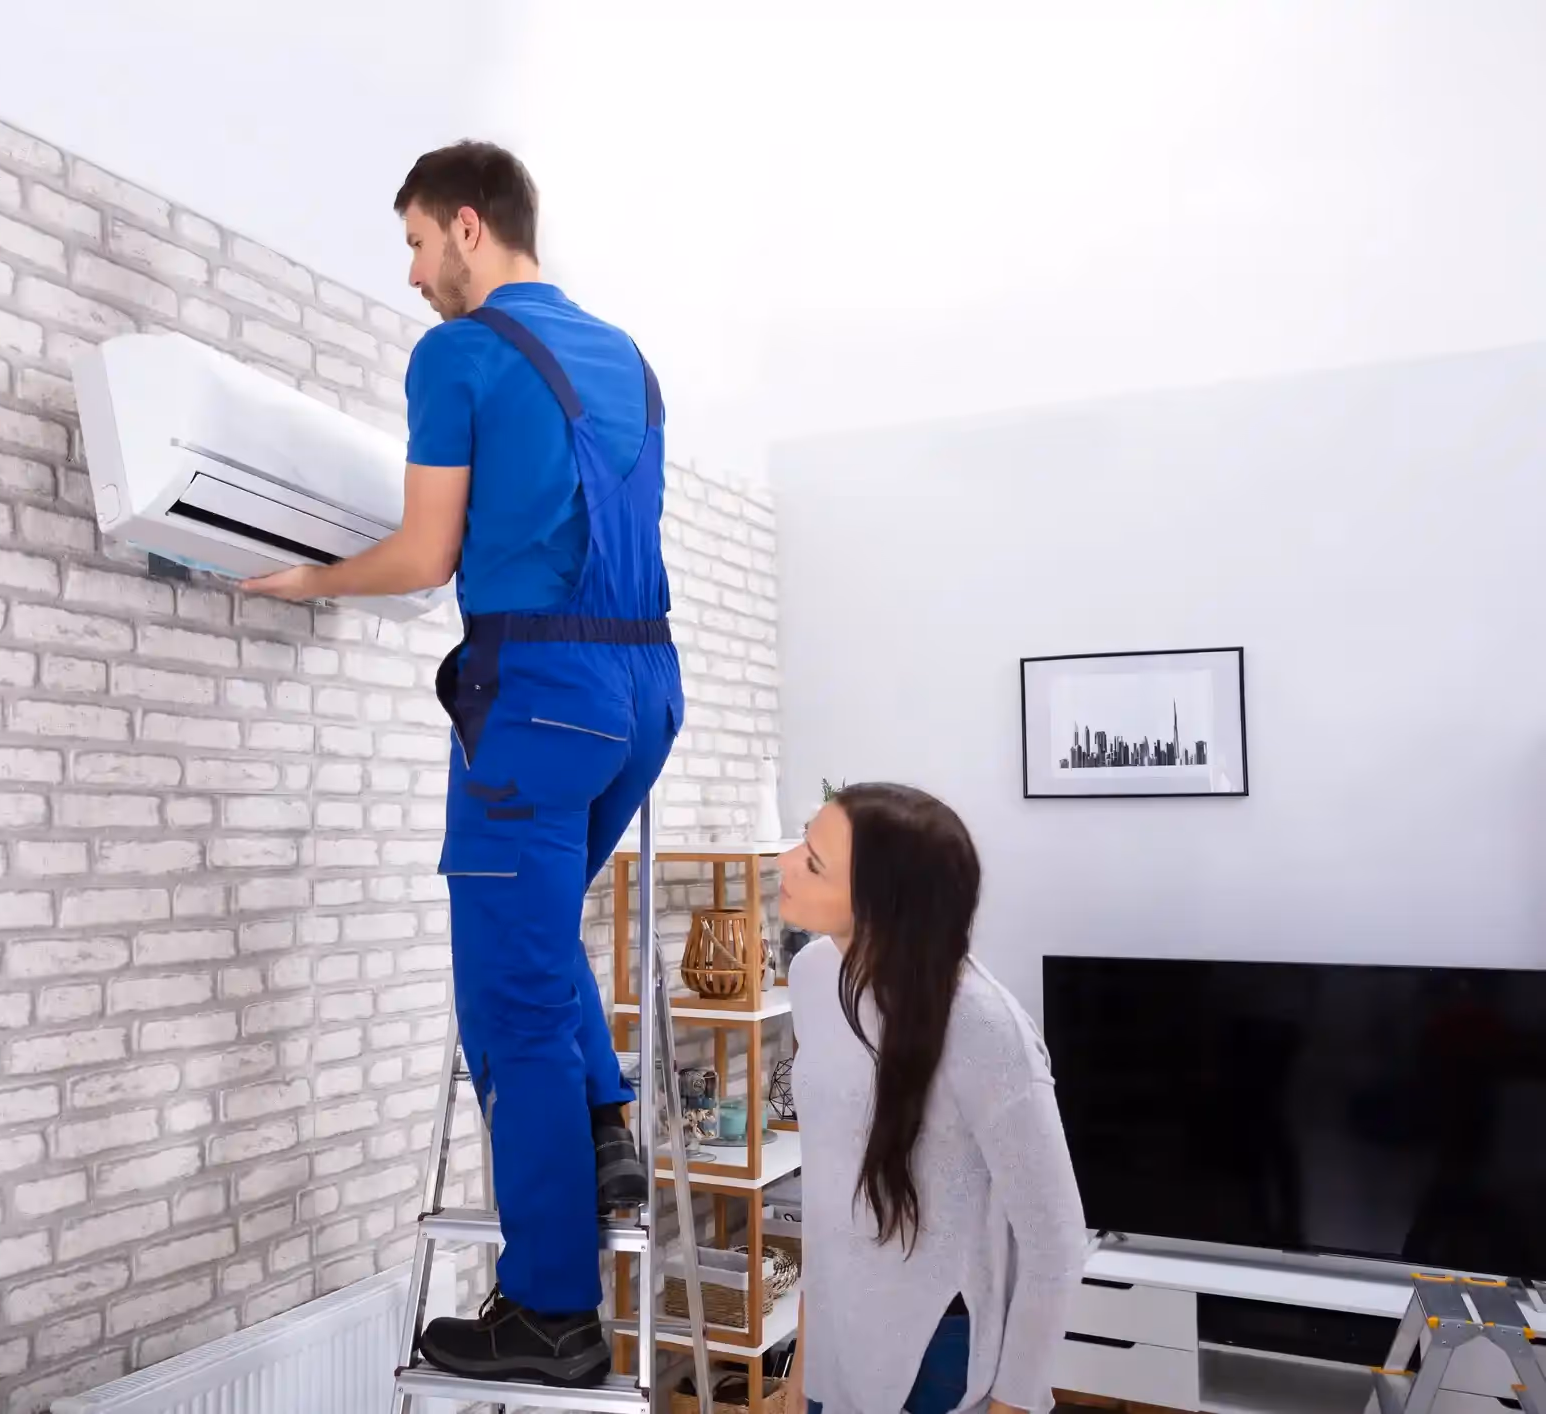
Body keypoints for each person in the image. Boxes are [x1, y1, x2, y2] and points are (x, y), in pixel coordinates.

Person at [244, 141, 680, 1388]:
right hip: (641, 693)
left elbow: (427, 552)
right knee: (540, 943)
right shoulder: (628, 359)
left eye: (419, 244)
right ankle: (603, 1130)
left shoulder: (458, 354)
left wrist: (312, 579)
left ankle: (551, 1310)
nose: (416, 276)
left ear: (471, 229)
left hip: (538, 697)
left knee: (513, 996)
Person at [776, 784, 1086, 1414]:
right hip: (838, 1333)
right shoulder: (811, 977)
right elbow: (832, 1197)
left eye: (812, 861)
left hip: (935, 1347)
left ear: (879, 903)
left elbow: (1056, 1239)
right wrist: (801, 1369)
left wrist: (1014, 1403)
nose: (781, 864)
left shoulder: (985, 1029)